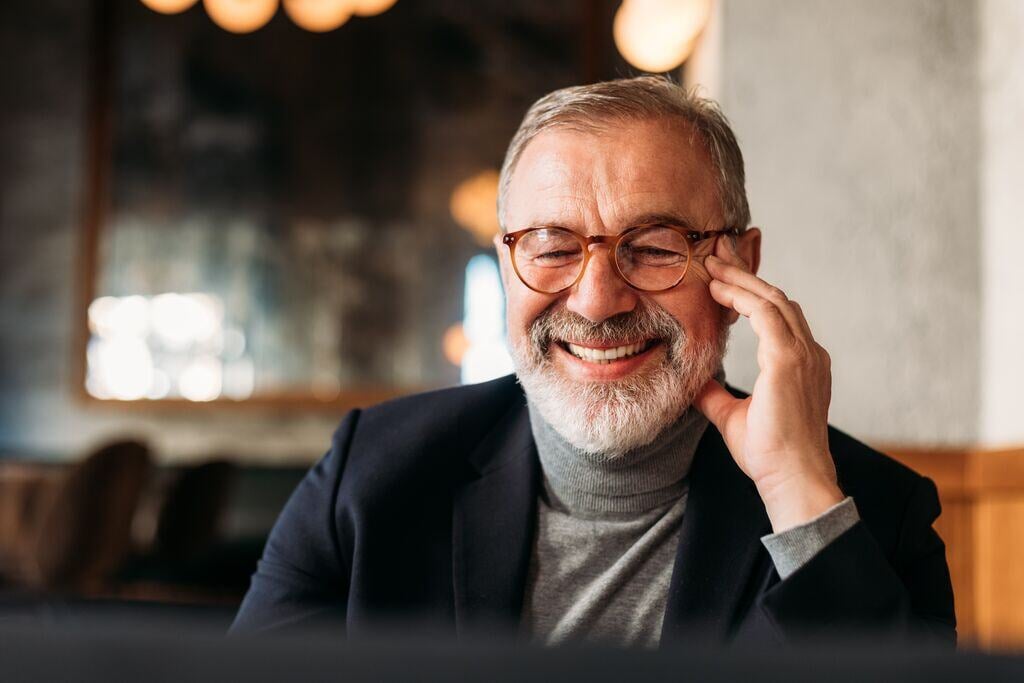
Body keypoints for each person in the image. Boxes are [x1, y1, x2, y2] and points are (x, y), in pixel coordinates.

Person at [231, 77, 956, 647]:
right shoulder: (369, 474)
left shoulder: (871, 516)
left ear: (741, 269)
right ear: (507, 268)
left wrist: (796, 489)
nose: (599, 300)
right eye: (551, 247)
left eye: (656, 246)